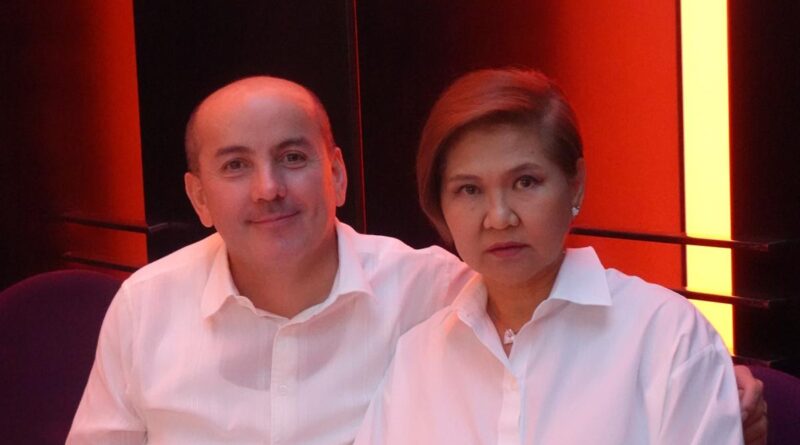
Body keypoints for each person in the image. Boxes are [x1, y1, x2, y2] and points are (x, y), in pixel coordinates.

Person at [67, 75, 765, 444]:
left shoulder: (429, 293)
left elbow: (567, 299)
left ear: (337, 175)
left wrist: (716, 377)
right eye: (235, 165)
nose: (269, 188)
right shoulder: (147, 305)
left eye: (293, 157)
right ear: (198, 197)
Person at [354, 68, 758, 444]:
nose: (499, 217)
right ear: (439, 206)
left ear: (575, 185)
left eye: (525, 182)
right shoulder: (416, 359)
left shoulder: (667, 336)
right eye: (469, 190)